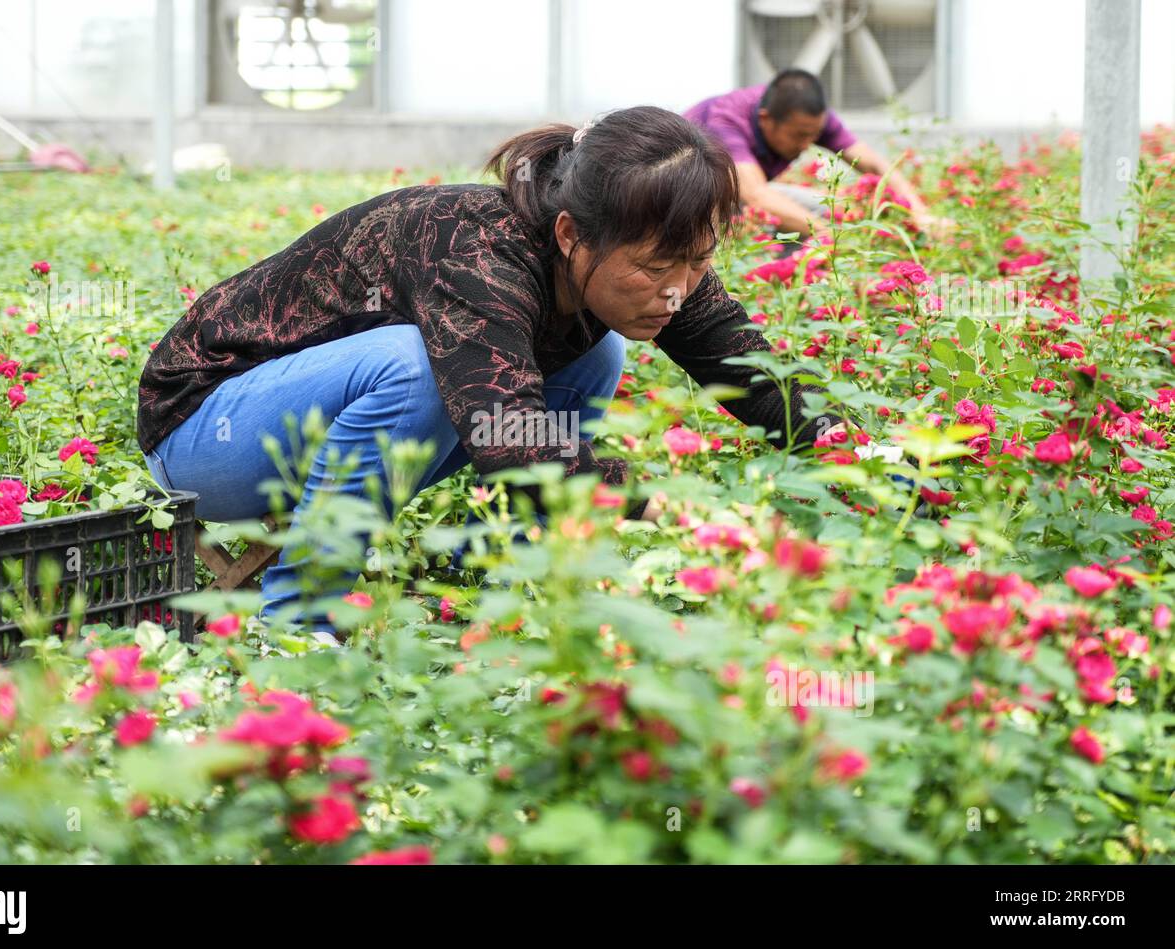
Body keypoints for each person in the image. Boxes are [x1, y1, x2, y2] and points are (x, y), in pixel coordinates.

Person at [136, 105, 844, 639]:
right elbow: (511, 434)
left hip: (307, 431)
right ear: (571, 234)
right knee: (410, 366)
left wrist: (853, 449)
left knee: (598, 350)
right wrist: (673, 511)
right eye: (658, 269)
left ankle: (503, 572)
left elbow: (736, 354)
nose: (678, 291)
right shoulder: (471, 252)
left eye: (696, 263)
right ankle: (299, 627)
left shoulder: (636, 263)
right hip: (204, 438)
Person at [684, 68, 945, 241]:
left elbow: (875, 166)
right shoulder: (725, 120)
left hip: (745, 194)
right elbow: (755, 197)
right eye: (799, 136)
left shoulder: (807, 118)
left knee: (832, 211)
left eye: (814, 135)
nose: (808, 144)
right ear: (765, 120)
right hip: (693, 203)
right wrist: (833, 239)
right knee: (794, 229)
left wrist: (919, 213)